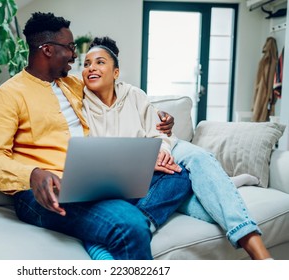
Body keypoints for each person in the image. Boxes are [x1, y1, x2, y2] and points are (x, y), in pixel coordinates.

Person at [0, 12, 192, 260]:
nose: (75, 55)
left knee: (180, 175)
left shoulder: (72, 85)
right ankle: (126, 225)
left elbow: (117, 93)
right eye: (69, 47)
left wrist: (160, 116)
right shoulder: (7, 96)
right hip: (43, 193)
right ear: (47, 49)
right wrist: (33, 174)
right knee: (129, 224)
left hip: (93, 181)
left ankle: (108, 229)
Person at [81, 36, 272, 260]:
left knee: (197, 161)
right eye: (86, 64)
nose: (91, 67)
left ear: (116, 72)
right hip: (132, 170)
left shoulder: (134, 95)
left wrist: (161, 151)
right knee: (189, 186)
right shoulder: (78, 104)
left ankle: (260, 254)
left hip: (159, 151)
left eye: (100, 62)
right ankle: (223, 183)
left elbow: (158, 132)